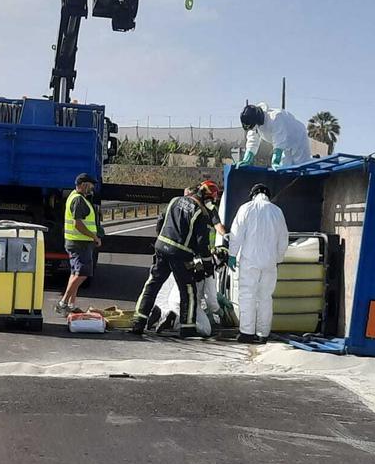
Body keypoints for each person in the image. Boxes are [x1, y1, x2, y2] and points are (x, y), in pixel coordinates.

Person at [130, 180, 220, 338]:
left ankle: (139, 321)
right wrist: (207, 266)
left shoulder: (174, 200)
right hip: (181, 254)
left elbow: (160, 222)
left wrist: (162, 240)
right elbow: (202, 244)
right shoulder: (200, 212)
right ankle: (187, 328)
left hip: (161, 248)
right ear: (208, 197)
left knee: (152, 284)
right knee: (188, 291)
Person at [228, 183, 289, 343]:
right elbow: (284, 238)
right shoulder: (277, 211)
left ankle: (247, 333)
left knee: (247, 295)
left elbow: (236, 233)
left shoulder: (246, 208)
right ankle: (263, 334)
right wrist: (278, 258)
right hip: (269, 263)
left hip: (250, 262)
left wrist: (232, 254)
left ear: (253, 195)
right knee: (265, 298)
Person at [56, 173, 102, 315]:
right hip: (80, 243)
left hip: (77, 242)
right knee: (82, 273)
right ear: (83, 185)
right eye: (90, 184)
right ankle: (63, 303)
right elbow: (78, 224)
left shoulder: (76, 197)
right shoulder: (78, 200)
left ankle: (71, 304)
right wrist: (94, 236)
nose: (92, 187)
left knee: (75, 272)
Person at [237, 102, 314, 169]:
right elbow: (252, 141)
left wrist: (275, 160)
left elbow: (279, 140)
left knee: (302, 165)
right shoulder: (255, 125)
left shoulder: (276, 117)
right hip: (285, 146)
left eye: (252, 126)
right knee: (284, 167)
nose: (252, 129)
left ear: (257, 120)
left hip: (298, 138)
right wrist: (247, 159)